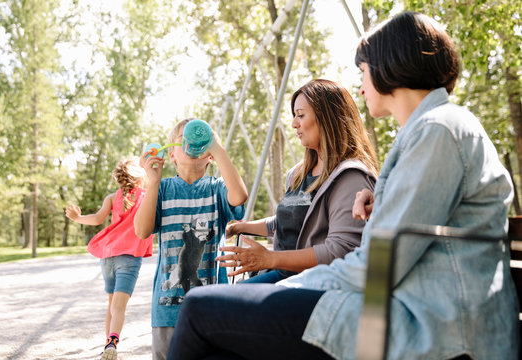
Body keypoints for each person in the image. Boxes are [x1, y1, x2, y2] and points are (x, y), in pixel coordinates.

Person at [166, 11, 519, 360]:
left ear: (389, 67)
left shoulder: (438, 131)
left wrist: (287, 284)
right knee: (218, 344)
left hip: (428, 326)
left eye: (363, 71)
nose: (361, 85)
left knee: (199, 307)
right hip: (401, 308)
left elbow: (383, 263)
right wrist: (383, 200)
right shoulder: (429, 132)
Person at [218, 79, 377, 283]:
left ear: (327, 118)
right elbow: (285, 222)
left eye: (301, 115)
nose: (294, 124)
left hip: (310, 282)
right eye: (294, 116)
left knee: (216, 303)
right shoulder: (298, 174)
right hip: (282, 274)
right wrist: (240, 227)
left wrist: (269, 259)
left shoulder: (350, 177)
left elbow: (340, 250)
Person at [134, 119, 248, 360]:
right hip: (168, 310)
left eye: (199, 139)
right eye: (182, 138)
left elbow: (239, 196)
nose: (191, 142)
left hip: (213, 308)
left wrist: (216, 147)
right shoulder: (162, 190)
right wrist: (152, 182)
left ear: (210, 156)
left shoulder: (217, 189)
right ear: (171, 155)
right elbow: (142, 231)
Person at [65, 156, 154, 360]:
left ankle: (108, 347)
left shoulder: (112, 198)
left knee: (112, 305)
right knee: (119, 307)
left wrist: (77, 218)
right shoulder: (147, 195)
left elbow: (97, 219)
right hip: (129, 257)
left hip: (108, 257)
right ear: (140, 177)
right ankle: (112, 341)